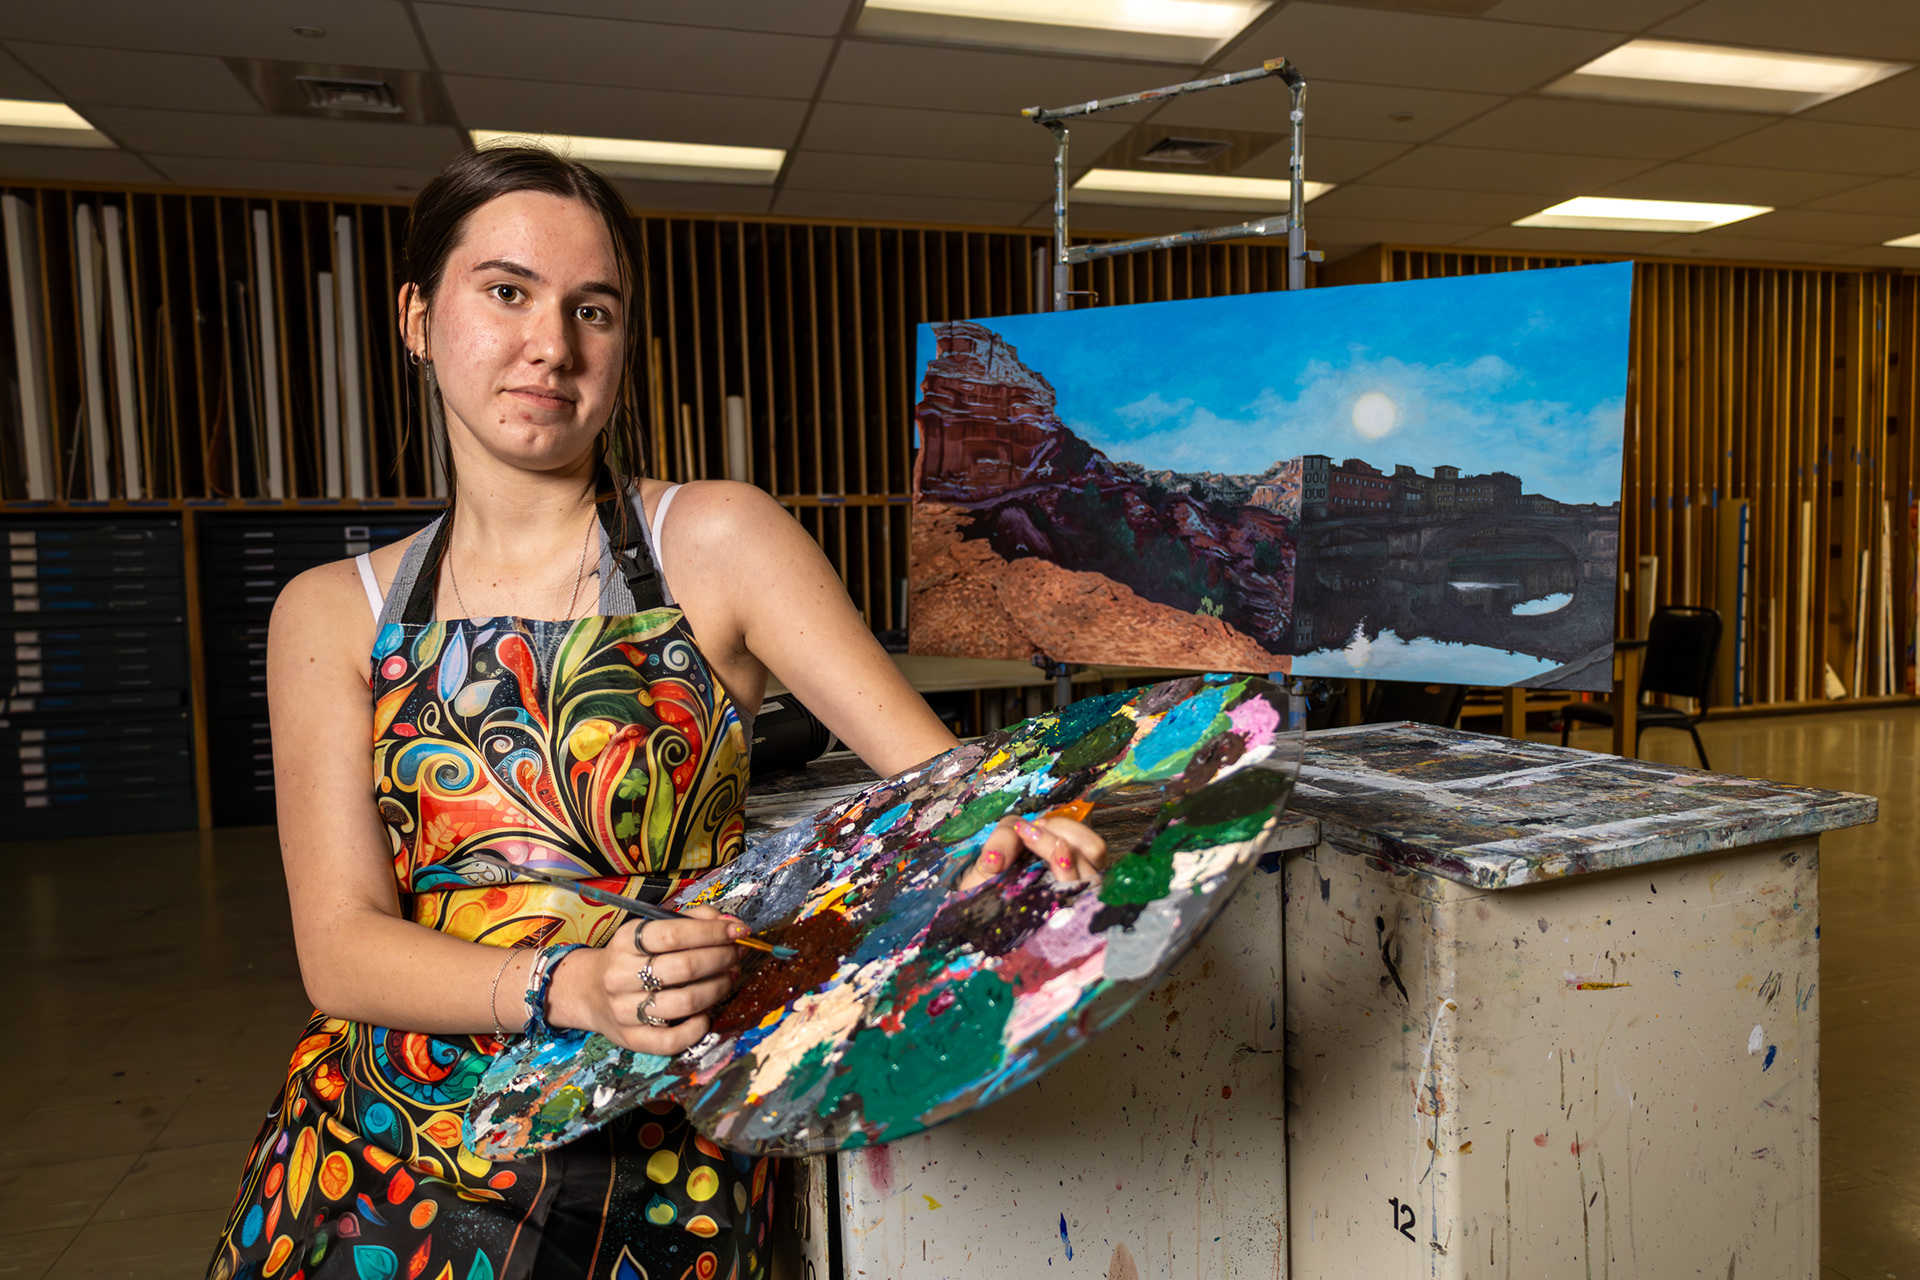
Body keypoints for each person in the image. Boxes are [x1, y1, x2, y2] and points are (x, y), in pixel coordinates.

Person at [209, 144, 1107, 1280]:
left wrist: (1016, 822)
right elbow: (338, 949)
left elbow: (938, 784)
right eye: (505, 292)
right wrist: (566, 985)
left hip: (662, 1153)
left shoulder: (717, 540)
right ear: (416, 317)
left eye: (595, 309)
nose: (552, 344)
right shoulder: (333, 612)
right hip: (385, 1165)